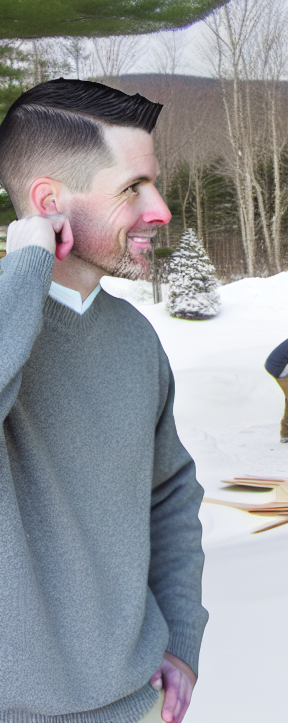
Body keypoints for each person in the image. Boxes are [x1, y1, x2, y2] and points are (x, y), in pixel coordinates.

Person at [0, 79, 206, 723]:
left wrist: (182, 638)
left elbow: (171, 492)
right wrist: (25, 269)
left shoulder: (135, 338)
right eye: (130, 188)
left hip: (138, 703)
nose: (161, 209)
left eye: (154, 183)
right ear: (47, 203)